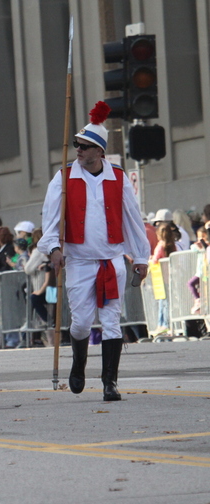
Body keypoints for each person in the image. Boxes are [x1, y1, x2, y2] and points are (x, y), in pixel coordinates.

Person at [39, 101, 150, 401]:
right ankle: (78, 362)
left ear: (99, 151)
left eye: (85, 145)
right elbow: (49, 221)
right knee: (82, 322)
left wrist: (140, 256)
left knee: (112, 321)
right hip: (79, 261)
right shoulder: (63, 178)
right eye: (77, 144)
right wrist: (52, 248)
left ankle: (109, 382)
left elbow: (132, 219)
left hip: (112, 260)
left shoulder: (118, 177)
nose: (78, 149)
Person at [151, 223, 176, 334]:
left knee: (163, 302)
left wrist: (151, 258)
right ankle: (166, 323)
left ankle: (163, 324)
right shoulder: (172, 245)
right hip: (170, 277)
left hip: (161, 278)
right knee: (167, 302)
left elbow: (155, 259)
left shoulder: (160, 245)